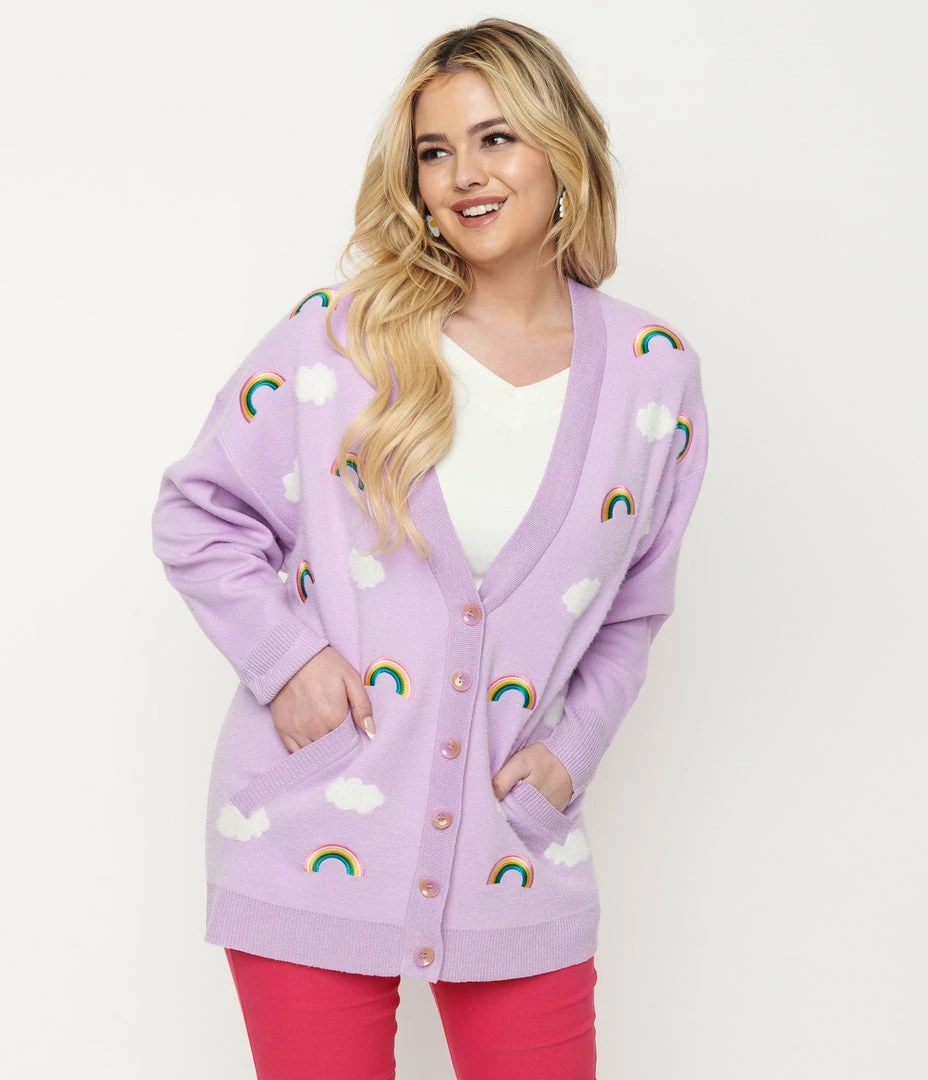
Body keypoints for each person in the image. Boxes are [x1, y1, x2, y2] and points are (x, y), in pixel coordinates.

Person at [151, 16, 709, 1080]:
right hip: (310, 825)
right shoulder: (341, 339)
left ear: (562, 150)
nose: (465, 176)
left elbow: (634, 608)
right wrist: (288, 661)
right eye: (435, 151)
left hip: (515, 847)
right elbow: (199, 511)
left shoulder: (652, 372)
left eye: (497, 138)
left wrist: (570, 756)